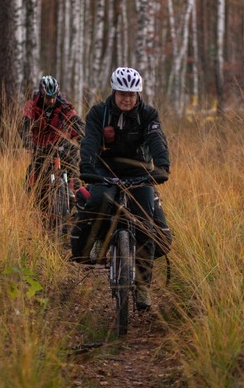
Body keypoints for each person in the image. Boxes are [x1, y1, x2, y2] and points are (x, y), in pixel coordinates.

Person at [70, 67, 170, 310]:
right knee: (99, 200)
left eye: (132, 94)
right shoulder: (98, 113)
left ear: (138, 95)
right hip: (105, 171)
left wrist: (162, 166)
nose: (127, 98)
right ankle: (97, 240)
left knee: (145, 219)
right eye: (122, 93)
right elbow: (90, 141)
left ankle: (143, 285)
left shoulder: (148, 115)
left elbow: (157, 141)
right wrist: (87, 166)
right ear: (114, 92)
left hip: (139, 172)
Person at [20, 75, 84, 217]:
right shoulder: (32, 106)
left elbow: (74, 121)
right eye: (48, 98)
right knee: (34, 174)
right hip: (40, 145)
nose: (52, 100)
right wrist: (26, 139)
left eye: (54, 97)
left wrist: (83, 136)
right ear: (42, 95)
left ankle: (74, 196)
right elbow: (25, 124)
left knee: (74, 161)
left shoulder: (63, 105)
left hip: (60, 143)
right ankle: (35, 204)